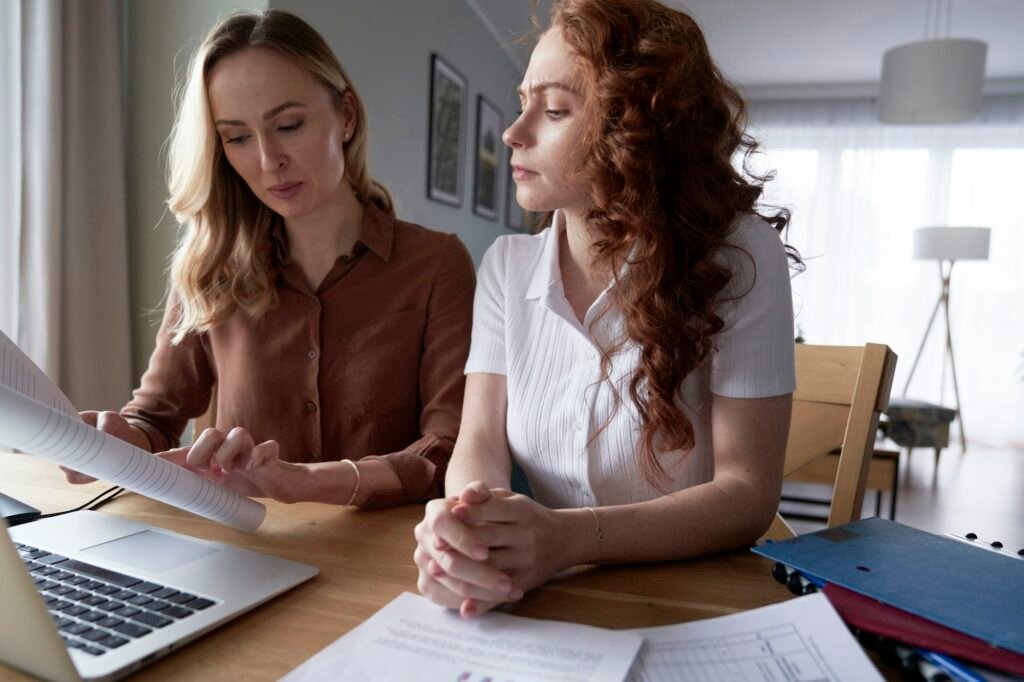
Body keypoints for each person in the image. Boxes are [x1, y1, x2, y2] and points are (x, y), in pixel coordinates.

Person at [414, 0, 801, 617]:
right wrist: (468, 530)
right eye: (522, 103)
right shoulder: (506, 265)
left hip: (696, 599)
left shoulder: (740, 257)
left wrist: (567, 539)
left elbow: (748, 494)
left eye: (557, 110)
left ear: (641, 130)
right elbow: (479, 441)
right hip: (547, 594)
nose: (514, 133)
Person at [64, 10, 476, 509]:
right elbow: (154, 420)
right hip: (245, 551)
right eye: (237, 137)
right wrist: (112, 443)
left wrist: (308, 482)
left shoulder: (436, 265)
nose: (266, 161)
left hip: (388, 562)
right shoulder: (209, 268)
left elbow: (449, 454)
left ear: (345, 116)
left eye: (288, 125)